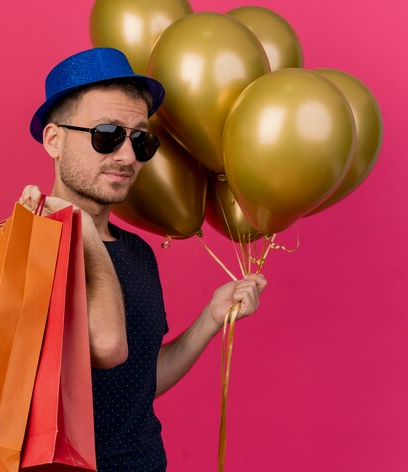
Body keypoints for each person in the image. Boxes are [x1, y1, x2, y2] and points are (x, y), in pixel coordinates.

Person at [19, 47, 267, 472]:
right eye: (107, 135)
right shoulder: (27, 246)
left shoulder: (138, 254)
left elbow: (136, 384)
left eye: (140, 139)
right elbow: (108, 347)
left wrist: (209, 319)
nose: (128, 157)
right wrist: (81, 231)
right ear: (54, 140)